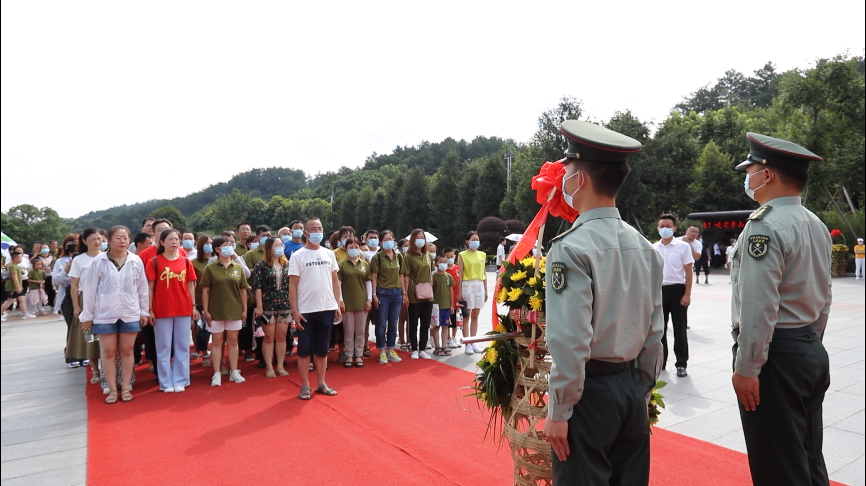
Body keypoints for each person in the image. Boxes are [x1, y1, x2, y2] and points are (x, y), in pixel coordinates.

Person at [542, 120, 663, 486]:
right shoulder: (645, 247)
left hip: (588, 395)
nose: (563, 180)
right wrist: (642, 389)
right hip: (630, 387)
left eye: (567, 172)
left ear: (579, 179)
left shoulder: (571, 248)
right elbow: (655, 332)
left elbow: (571, 340)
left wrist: (559, 409)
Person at [731, 132, 832, 486]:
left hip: (775, 358)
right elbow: (825, 296)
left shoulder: (764, 226)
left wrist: (747, 367)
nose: (748, 178)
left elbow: (758, 305)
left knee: (778, 467)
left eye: (751, 170)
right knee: (808, 458)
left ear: (768, 174)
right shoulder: (816, 224)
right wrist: (808, 341)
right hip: (808, 349)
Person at [79, 226, 148, 404]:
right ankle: (111, 388)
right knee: (108, 352)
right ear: (109, 240)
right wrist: (87, 316)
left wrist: (144, 311)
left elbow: (142, 287)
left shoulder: (135, 260)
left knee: (127, 350)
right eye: (118, 238)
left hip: (130, 312)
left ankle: (125, 387)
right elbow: (90, 289)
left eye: (125, 238)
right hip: (104, 313)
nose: (122, 241)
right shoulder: (99, 261)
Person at [288, 217, 341, 399]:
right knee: (304, 350)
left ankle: (321, 383)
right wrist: (295, 311)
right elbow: (292, 286)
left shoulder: (329, 254)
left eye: (320, 228)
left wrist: (337, 304)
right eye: (313, 229)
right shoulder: (297, 256)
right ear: (305, 232)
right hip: (305, 311)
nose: (317, 232)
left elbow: (335, 281)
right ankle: (305, 385)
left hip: (327, 308)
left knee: (322, 349)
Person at [146, 228, 199, 393]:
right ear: (161, 242)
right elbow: (150, 288)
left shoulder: (186, 262)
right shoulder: (154, 261)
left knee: (183, 346)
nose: (175, 242)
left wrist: (194, 306)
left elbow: (191, 285)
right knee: (163, 347)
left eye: (177, 239)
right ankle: (166, 382)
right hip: (161, 309)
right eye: (170, 239)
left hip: (183, 308)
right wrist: (149, 309)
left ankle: (181, 379)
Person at [201, 235, 249, 386]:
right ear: (217, 249)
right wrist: (206, 311)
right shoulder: (210, 268)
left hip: (234, 310)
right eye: (225, 245)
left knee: (233, 341)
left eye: (230, 244)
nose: (229, 247)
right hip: (216, 311)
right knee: (217, 341)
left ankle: (234, 371)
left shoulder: (238, 267)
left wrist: (244, 309)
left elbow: (243, 290)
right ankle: (216, 373)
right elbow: (205, 291)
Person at [653, 215, 693, 377]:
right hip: (659, 291)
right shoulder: (653, 248)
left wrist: (687, 294)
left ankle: (681, 364)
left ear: (674, 228)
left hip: (678, 291)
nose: (665, 229)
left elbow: (688, 272)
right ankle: (661, 362)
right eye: (662, 226)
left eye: (668, 226)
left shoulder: (683, 247)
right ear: (657, 228)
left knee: (680, 330)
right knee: (659, 330)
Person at [65, 228, 104, 377]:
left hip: (106, 299)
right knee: (89, 335)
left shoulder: (107, 256)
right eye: (93, 239)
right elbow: (74, 285)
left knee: (106, 334)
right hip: (86, 299)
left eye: (99, 238)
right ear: (84, 241)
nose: (97, 242)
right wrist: (76, 306)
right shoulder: (79, 260)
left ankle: (106, 368)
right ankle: (95, 370)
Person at [252, 235, 291, 378]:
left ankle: (280, 365)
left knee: (281, 337)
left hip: (284, 303)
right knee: (268, 337)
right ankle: (269, 367)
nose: (280, 247)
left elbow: (292, 286)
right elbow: (257, 287)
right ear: (269, 248)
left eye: (281, 245)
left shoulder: (287, 264)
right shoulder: (261, 265)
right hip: (268, 304)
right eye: (277, 245)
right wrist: (259, 306)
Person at [337, 237, 372, 368]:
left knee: (360, 330)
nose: (354, 249)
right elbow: (338, 284)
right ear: (346, 249)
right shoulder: (341, 264)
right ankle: (349, 355)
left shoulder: (365, 265)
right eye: (351, 247)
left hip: (362, 302)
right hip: (347, 303)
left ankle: (359, 355)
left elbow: (368, 283)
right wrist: (340, 300)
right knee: (348, 330)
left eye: (356, 247)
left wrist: (369, 299)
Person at [371, 230, 404, 364]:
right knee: (381, 324)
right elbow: (374, 277)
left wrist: (404, 293)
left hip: (397, 293)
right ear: (380, 242)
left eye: (390, 239)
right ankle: (381, 351)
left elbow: (401, 275)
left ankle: (391, 349)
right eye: (385, 240)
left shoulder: (398, 256)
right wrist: (374, 295)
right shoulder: (377, 258)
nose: (388, 242)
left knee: (393, 323)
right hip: (382, 293)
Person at [401, 228, 434, 360]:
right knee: (413, 323)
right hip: (414, 293)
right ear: (413, 240)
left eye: (422, 237)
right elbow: (406, 276)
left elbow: (431, 272)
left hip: (428, 293)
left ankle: (422, 349)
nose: (420, 240)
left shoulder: (428, 255)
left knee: (425, 323)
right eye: (417, 237)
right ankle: (414, 348)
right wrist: (405, 294)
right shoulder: (408, 256)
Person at [457, 231, 487, 355]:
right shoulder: (462, 255)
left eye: (477, 239)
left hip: (479, 285)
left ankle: (474, 341)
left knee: (475, 316)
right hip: (467, 285)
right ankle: (467, 343)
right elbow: (460, 274)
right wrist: (459, 291)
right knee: (466, 316)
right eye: (473, 239)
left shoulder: (482, 255)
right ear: (467, 241)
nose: (476, 241)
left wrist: (485, 290)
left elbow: (484, 273)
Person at [191, 235, 213, 363]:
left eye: (211, 243)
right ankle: (203, 352)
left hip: (215, 299)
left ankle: (212, 352)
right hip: (200, 299)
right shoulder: (194, 263)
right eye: (206, 243)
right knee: (201, 327)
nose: (209, 245)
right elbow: (191, 284)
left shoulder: (217, 260)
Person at [431, 255, 455, 356]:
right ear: (436, 264)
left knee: (445, 326)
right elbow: (431, 291)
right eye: (441, 262)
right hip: (436, 307)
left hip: (446, 306)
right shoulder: (433, 276)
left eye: (445, 262)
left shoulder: (448, 276)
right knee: (436, 326)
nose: (443, 264)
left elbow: (451, 291)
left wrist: (452, 305)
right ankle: (437, 347)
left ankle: (444, 346)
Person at [1, 252, 35, 320]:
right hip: (13, 287)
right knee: (10, 301)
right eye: (20, 257)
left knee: (22, 299)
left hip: (18, 287)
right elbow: (14, 278)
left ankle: (25, 314)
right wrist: (18, 287)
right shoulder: (13, 266)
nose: (21, 259)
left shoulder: (16, 266)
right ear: (15, 259)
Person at [443, 247, 462, 348]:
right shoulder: (444, 270)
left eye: (452, 256)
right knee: (447, 320)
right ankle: (448, 338)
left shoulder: (457, 268)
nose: (450, 259)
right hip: (447, 299)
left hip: (456, 298)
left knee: (455, 319)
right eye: (447, 257)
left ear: (455, 256)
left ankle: (454, 337)